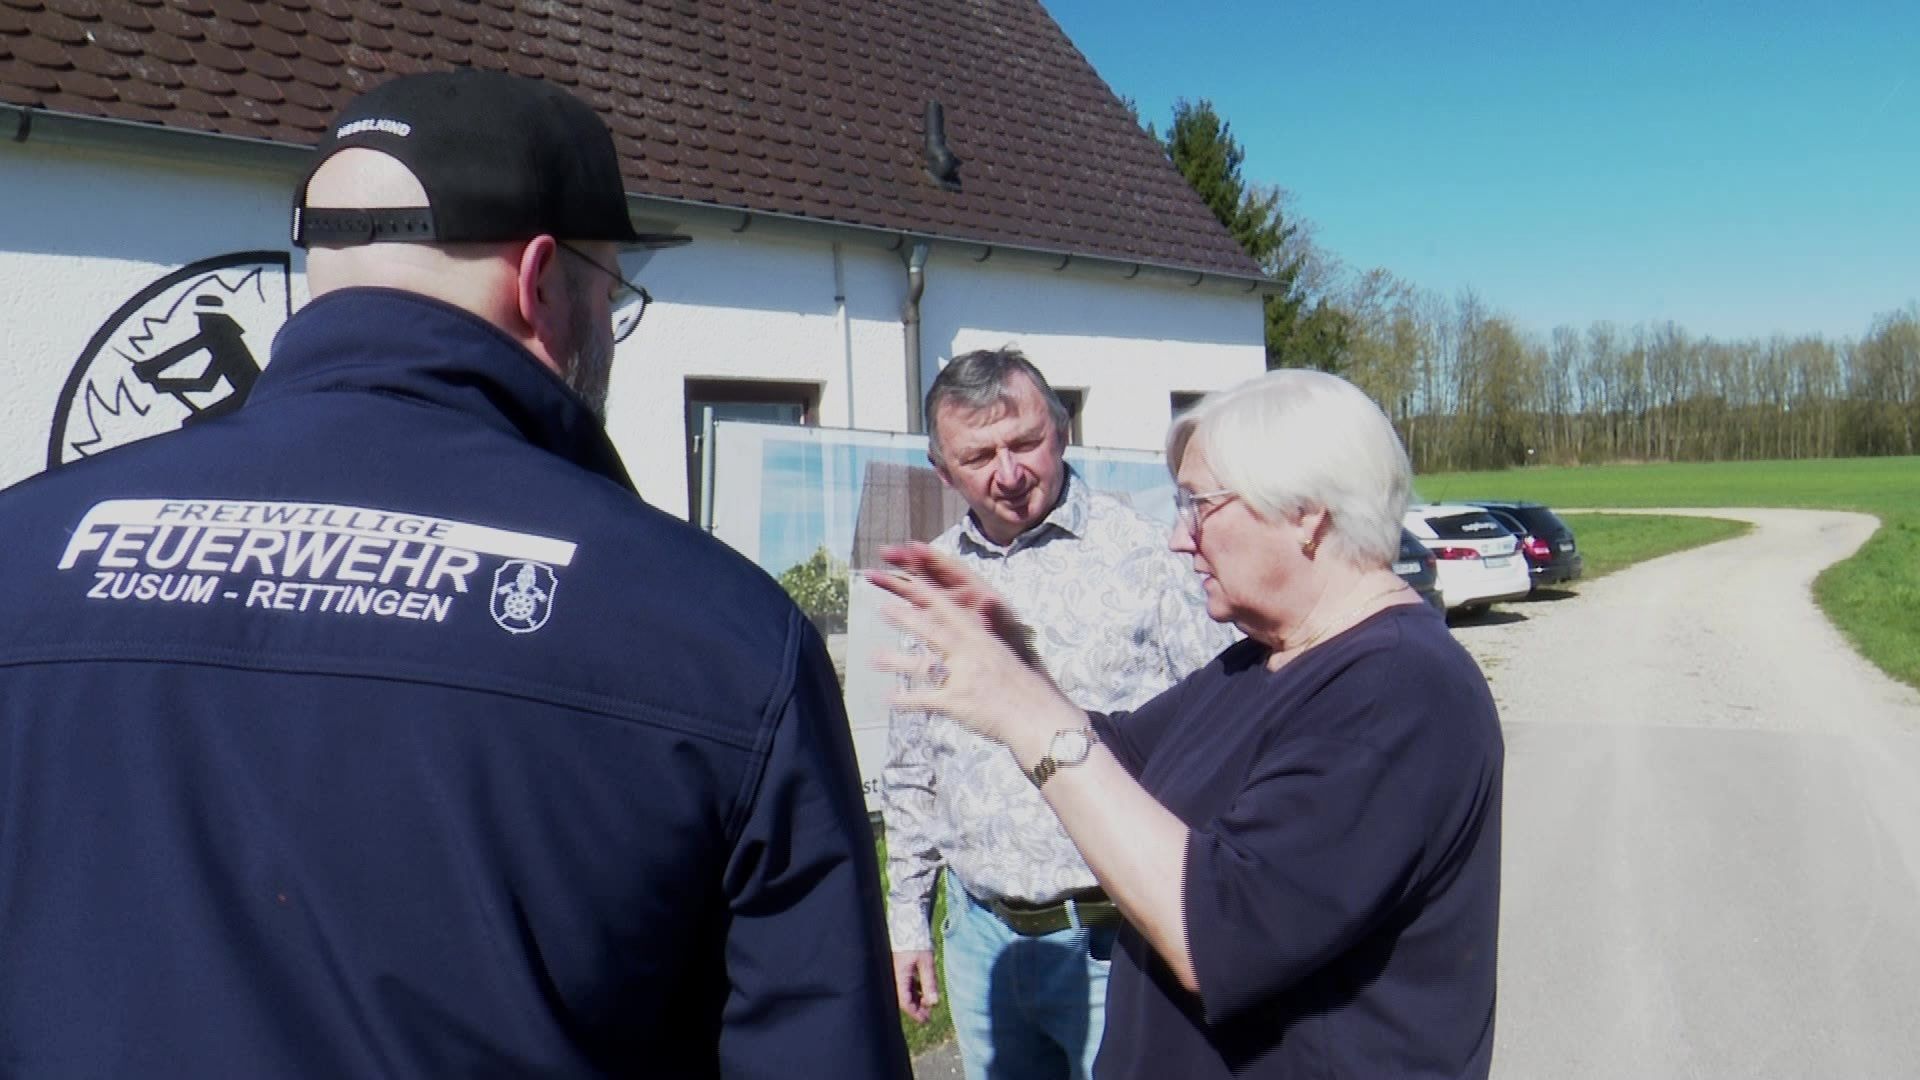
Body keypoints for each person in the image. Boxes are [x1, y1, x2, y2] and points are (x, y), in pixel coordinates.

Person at [0, 70, 908, 1079]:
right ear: (541, 279)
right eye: (614, 291)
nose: (610, 324)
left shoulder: (19, 553)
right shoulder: (723, 639)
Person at [872, 369, 1504, 1079]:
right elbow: (1116, 755)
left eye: (1199, 505)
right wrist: (1018, 666)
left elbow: (1219, 933)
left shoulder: (1396, 690)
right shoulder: (1266, 659)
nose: (1179, 538)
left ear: (1306, 514)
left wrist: (1024, 712)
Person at [881, 347, 1234, 1080]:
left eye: (1025, 443)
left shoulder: (1149, 557)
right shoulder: (935, 582)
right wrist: (908, 920)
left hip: (1118, 942)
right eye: (979, 457)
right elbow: (914, 762)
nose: (1009, 474)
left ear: (1063, 431)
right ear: (941, 470)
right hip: (981, 941)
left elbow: (1224, 732)